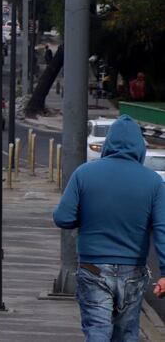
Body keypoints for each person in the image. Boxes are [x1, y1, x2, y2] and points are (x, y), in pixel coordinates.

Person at [54, 115, 165, 341]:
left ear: (108, 144)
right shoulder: (153, 182)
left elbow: (63, 218)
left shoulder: (84, 174)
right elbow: (162, 230)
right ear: (139, 146)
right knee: (126, 332)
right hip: (132, 269)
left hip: (93, 267)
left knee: (97, 330)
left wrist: (87, 216)